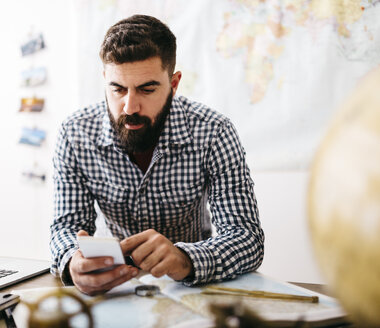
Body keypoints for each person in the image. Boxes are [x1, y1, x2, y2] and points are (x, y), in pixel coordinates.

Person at [50, 14, 264, 295]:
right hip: (111, 292)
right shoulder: (74, 134)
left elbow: (246, 238)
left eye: (147, 89)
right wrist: (71, 262)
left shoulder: (214, 132)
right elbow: (65, 227)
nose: (129, 107)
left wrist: (185, 258)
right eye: (117, 89)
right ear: (105, 79)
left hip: (189, 287)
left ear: (173, 84)